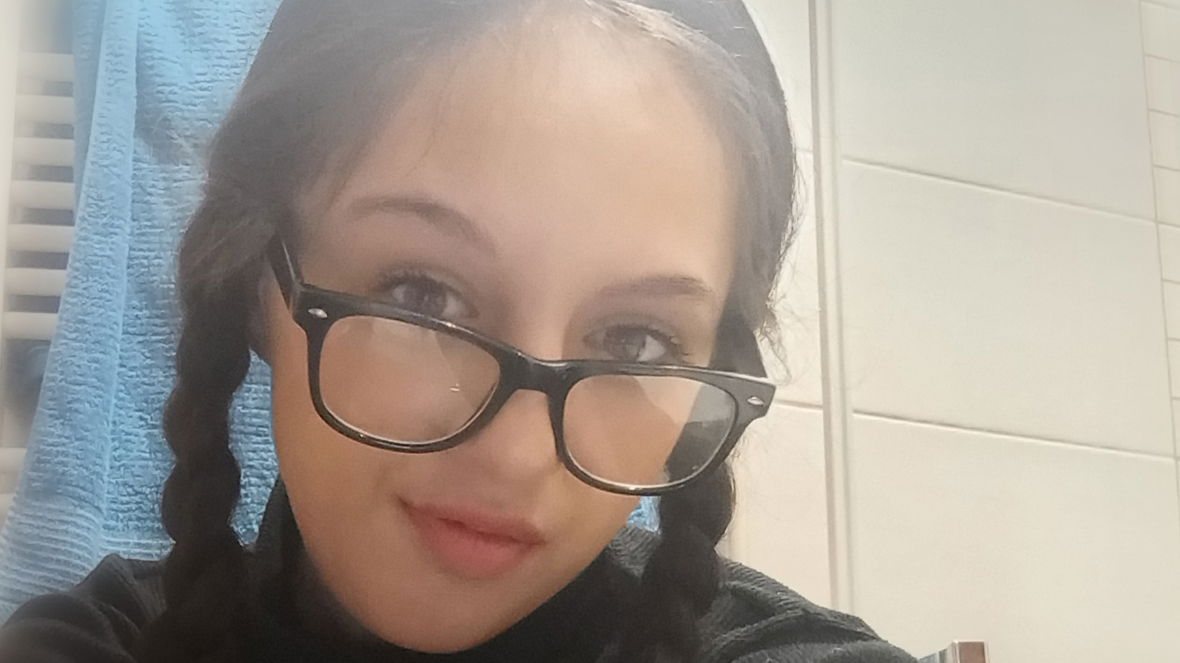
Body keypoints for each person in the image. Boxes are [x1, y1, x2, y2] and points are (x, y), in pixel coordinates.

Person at [0, 1, 918, 661]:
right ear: (255, 287)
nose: (517, 457)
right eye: (423, 295)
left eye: (636, 340)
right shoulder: (95, 638)